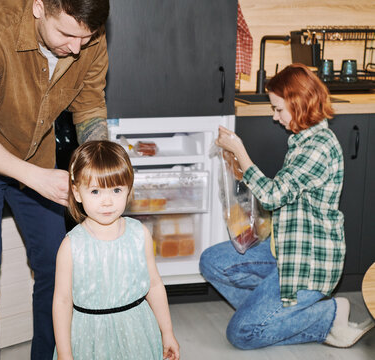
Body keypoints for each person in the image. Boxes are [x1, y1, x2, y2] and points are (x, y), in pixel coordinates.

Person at [0, 0, 110, 358]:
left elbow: (90, 105)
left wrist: (101, 164)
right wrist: (35, 178)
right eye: (66, 34)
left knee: (56, 266)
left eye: (85, 38)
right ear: (39, 7)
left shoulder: (88, 38)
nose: (76, 48)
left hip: (36, 151)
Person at [200, 63, 374, 349]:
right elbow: (284, 194)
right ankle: (274, 314)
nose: (274, 116)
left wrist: (240, 151)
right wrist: (237, 165)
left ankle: (329, 314)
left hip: (308, 265)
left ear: (300, 104)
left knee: (241, 335)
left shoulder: (318, 147)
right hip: (283, 249)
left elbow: (271, 196)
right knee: (212, 262)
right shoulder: (302, 139)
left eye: (278, 109)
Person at [52, 140, 180, 359]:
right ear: (77, 193)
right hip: (90, 338)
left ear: (129, 189)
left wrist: (167, 332)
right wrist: (65, 355)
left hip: (137, 333)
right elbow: (62, 301)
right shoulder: (71, 245)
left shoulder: (139, 234)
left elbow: (154, 284)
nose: (107, 201)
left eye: (116, 189)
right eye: (95, 191)